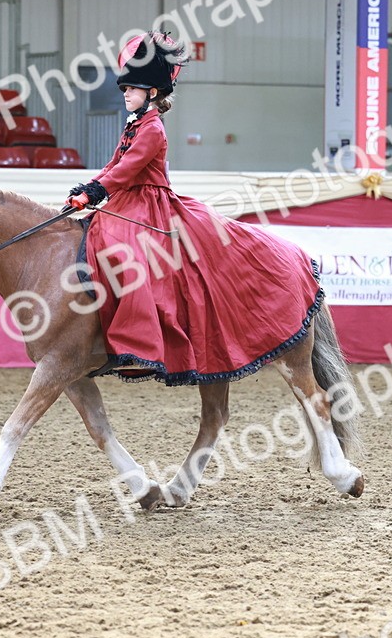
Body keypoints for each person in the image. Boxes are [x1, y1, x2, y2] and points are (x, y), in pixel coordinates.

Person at [64, 31, 323, 386]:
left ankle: (142, 348)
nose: (125, 92)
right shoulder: (134, 124)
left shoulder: (153, 128)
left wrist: (98, 190)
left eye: (131, 88)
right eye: (124, 88)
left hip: (150, 204)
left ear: (151, 92)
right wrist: (88, 188)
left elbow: (129, 168)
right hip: (127, 199)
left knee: (132, 255)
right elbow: (114, 164)